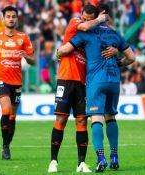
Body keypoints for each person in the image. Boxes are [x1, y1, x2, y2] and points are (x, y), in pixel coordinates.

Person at [57, 4, 135, 172]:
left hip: (96, 81)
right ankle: (114, 156)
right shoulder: (115, 33)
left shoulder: (86, 33)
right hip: (114, 81)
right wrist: (117, 62)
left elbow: (65, 50)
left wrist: (58, 52)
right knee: (111, 117)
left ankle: (101, 158)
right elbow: (132, 58)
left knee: (96, 118)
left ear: (96, 17)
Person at [48, 4, 118, 173]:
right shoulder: (75, 22)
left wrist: (115, 50)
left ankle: (81, 163)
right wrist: (99, 19)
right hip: (66, 79)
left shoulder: (93, 36)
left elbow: (111, 41)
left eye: (89, 18)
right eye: (84, 18)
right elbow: (84, 26)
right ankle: (53, 161)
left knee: (81, 121)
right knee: (61, 120)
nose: (85, 22)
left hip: (84, 82)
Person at [0, 6, 35, 160]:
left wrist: (25, 55)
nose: (11, 19)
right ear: (3, 19)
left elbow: (32, 61)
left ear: (17, 19)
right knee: (6, 110)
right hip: (1, 79)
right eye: (8, 16)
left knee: (12, 116)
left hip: (16, 81)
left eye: (14, 16)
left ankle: (7, 144)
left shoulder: (23, 37)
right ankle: (5, 147)